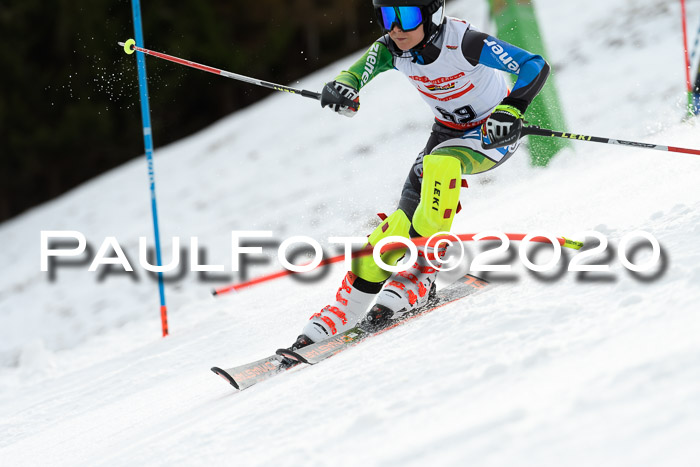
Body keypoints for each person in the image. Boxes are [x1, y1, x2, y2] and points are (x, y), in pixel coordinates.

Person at [289, 0, 550, 349]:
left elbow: (533, 65)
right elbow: (353, 74)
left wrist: (512, 108)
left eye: (407, 16)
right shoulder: (390, 49)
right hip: (446, 134)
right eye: (387, 17)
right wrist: (342, 88)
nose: (396, 28)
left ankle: (419, 274)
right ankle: (347, 309)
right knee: (398, 224)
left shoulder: (465, 42)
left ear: (432, 14)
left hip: (490, 135)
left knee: (440, 164)